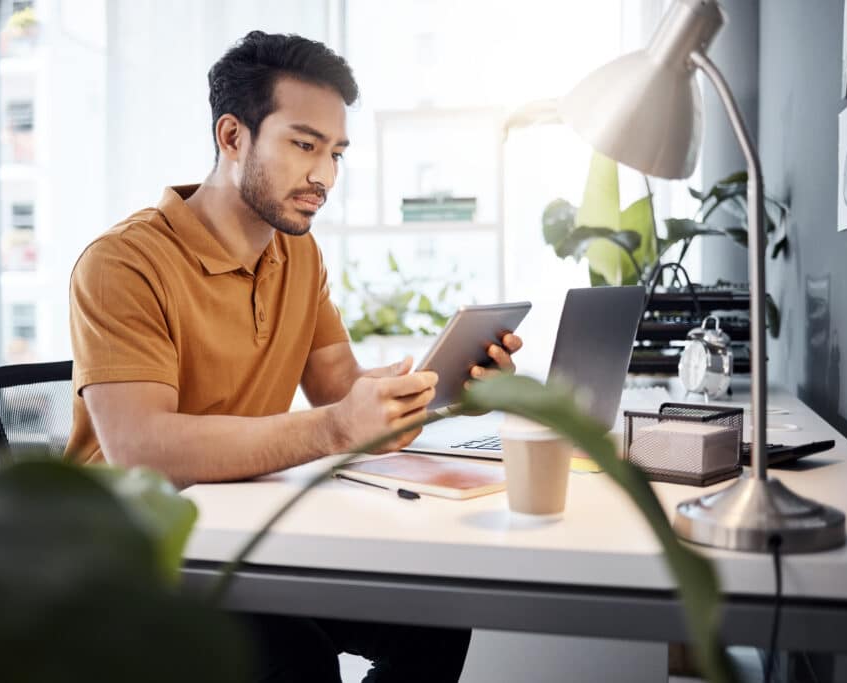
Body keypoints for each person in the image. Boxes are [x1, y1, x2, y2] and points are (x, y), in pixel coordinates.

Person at [66, 30, 521, 682]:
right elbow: (144, 449)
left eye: (335, 152)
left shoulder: (296, 253)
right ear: (233, 137)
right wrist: (338, 426)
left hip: (241, 536)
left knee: (436, 612)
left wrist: (434, 387)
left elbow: (340, 393)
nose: (325, 175)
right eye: (304, 145)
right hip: (135, 559)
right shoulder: (123, 263)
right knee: (295, 658)